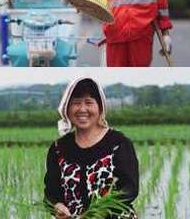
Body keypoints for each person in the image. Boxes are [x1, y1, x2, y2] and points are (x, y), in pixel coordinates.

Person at [44, 77, 139, 219]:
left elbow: (129, 188)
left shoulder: (119, 144)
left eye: (89, 103)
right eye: (76, 103)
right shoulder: (58, 149)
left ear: (100, 108)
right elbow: (51, 193)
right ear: (67, 108)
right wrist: (57, 206)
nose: (82, 109)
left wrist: (99, 211)